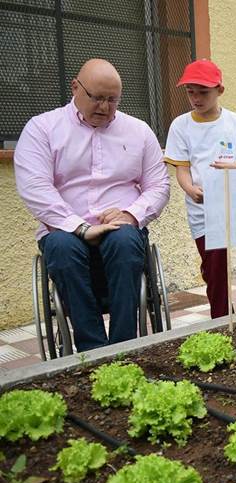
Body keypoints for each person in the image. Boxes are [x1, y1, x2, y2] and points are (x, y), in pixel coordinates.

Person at [14, 58, 170, 351]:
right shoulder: (43, 129)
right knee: (61, 247)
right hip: (65, 228)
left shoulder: (138, 131)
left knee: (125, 241)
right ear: (75, 87)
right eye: (97, 98)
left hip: (121, 229)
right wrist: (80, 227)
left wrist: (131, 214)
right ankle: (92, 350)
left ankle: (125, 347)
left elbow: (159, 185)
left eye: (113, 100)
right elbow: (35, 187)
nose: (105, 107)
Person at [164, 59, 236, 318]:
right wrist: (190, 189)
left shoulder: (235, 122)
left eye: (203, 92)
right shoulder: (180, 125)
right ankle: (221, 318)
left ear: (219, 91)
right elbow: (181, 169)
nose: (196, 98)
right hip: (202, 206)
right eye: (190, 91)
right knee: (215, 268)